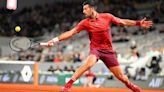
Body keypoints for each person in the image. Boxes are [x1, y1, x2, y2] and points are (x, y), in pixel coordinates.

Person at [43, 0, 153, 92]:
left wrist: (138, 23)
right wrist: (55, 40)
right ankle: (68, 85)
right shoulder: (85, 23)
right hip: (96, 50)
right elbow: (71, 32)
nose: (83, 11)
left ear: (92, 8)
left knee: (122, 78)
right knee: (88, 64)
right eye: (83, 9)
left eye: (85, 9)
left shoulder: (107, 17)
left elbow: (122, 22)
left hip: (109, 52)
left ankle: (132, 86)